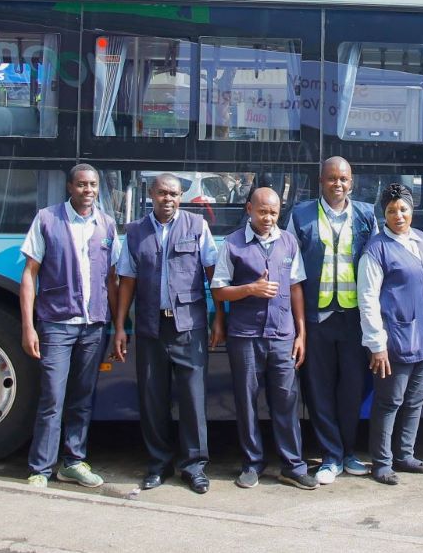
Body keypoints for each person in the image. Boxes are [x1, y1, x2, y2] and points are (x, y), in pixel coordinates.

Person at [113, 173, 219, 494]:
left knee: (192, 399)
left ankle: (194, 467)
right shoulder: (134, 232)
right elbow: (127, 282)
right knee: (152, 398)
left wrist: (220, 321)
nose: (168, 199)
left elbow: (214, 275)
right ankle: (159, 465)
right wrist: (120, 327)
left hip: (189, 326)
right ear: (151, 194)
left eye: (174, 193)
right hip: (150, 326)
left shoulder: (197, 227)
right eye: (162, 193)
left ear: (181, 196)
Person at [211, 187, 318, 491]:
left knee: (286, 401)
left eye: (274, 212)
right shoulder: (232, 244)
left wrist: (301, 333)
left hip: (282, 335)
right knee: (246, 401)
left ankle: (292, 466)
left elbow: (296, 288)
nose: (269, 217)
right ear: (249, 209)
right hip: (245, 336)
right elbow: (219, 290)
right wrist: (249, 289)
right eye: (263, 211)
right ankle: (252, 463)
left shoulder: (288, 242)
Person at [21, 164, 119, 489]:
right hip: (56, 324)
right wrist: (28, 327)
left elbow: (113, 280)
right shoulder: (47, 219)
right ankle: (41, 468)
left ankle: (73, 462)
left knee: (82, 398)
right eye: (81, 185)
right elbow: (29, 275)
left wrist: (118, 325)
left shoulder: (106, 225)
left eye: (92, 185)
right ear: (69, 187)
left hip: (94, 326)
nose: (87, 190)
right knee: (52, 396)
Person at [287, 156, 378, 485]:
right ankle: (330, 456)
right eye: (331, 179)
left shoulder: (367, 215)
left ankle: (348, 452)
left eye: (343, 179)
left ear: (351, 182)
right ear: (320, 181)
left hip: (353, 319)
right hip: (317, 318)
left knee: (352, 389)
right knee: (319, 390)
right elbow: (292, 273)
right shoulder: (300, 215)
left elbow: (376, 267)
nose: (337, 184)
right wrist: (298, 327)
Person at [357, 182, 423, 485]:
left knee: (415, 401)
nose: (398, 215)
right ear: (383, 215)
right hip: (395, 341)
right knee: (389, 402)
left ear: (411, 211)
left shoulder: (422, 241)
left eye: (403, 209)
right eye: (391, 211)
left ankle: (405, 455)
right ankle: (382, 462)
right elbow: (367, 299)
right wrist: (376, 345)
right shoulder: (376, 249)